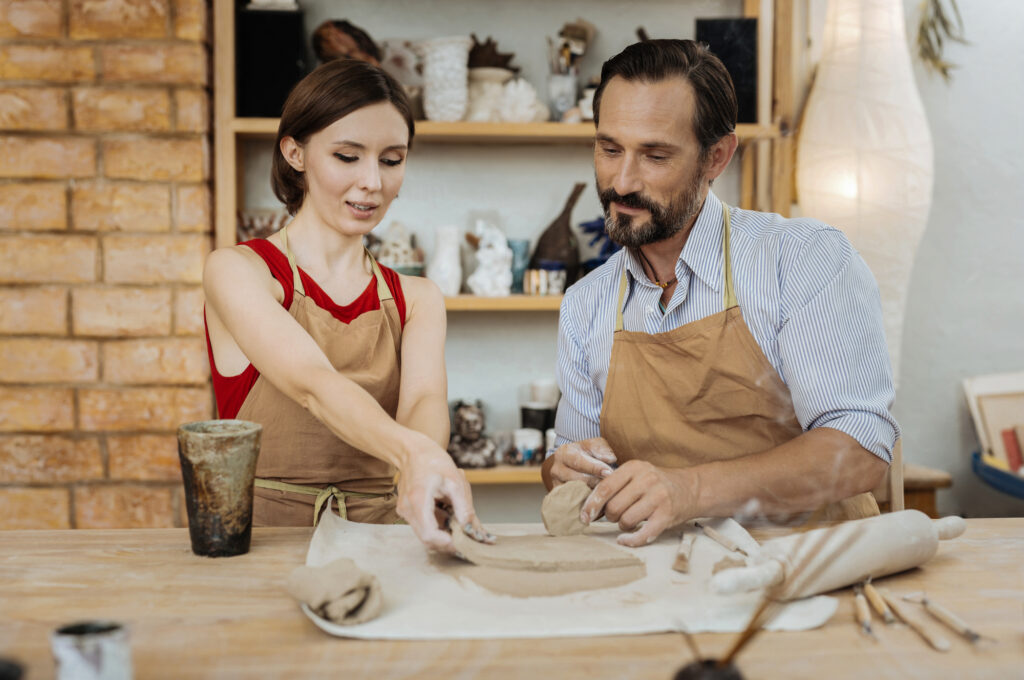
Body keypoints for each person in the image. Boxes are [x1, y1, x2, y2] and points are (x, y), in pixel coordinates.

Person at [543, 40, 899, 546]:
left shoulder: (801, 260)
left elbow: (861, 452)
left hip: (811, 567)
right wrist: (563, 470)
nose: (621, 181)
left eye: (655, 155)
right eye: (609, 148)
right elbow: (573, 462)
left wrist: (689, 490)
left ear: (717, 157)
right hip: (660, 572)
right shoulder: (586, 305)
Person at [203, 58, 488, 553]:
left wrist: (420, 472)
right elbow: (314, 385)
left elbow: (423, 402)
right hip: (265, 542)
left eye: (392, 160)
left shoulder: (418, 298)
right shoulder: (239, 272)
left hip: (387, 537)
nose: (373, 182)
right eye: (347, 156)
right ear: (295, 153)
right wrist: (416, 455)